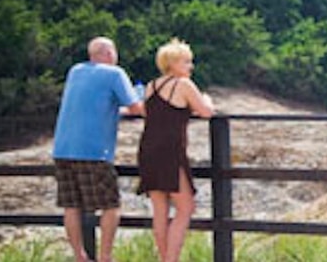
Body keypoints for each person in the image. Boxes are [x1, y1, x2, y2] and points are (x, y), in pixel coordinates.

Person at [52, 36, 145, 262]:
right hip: (94, 151)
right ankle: (105, 257)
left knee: (71, 205)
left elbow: (94, 103)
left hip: (63, 149)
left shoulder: (76, 70)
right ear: (109, 53)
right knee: (110, 205)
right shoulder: (114, 73)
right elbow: (136, 107)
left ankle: (79, 256)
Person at [136, 38, 215, 262]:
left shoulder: (152, 86)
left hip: (148, 149)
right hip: (170, 150)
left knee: (160, 211)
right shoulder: (183, 85)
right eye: (186, 61)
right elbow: (206, 111)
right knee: (185, 208)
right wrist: (208, 99)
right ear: (173, 63)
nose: (190, 66)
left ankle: (165, 258)